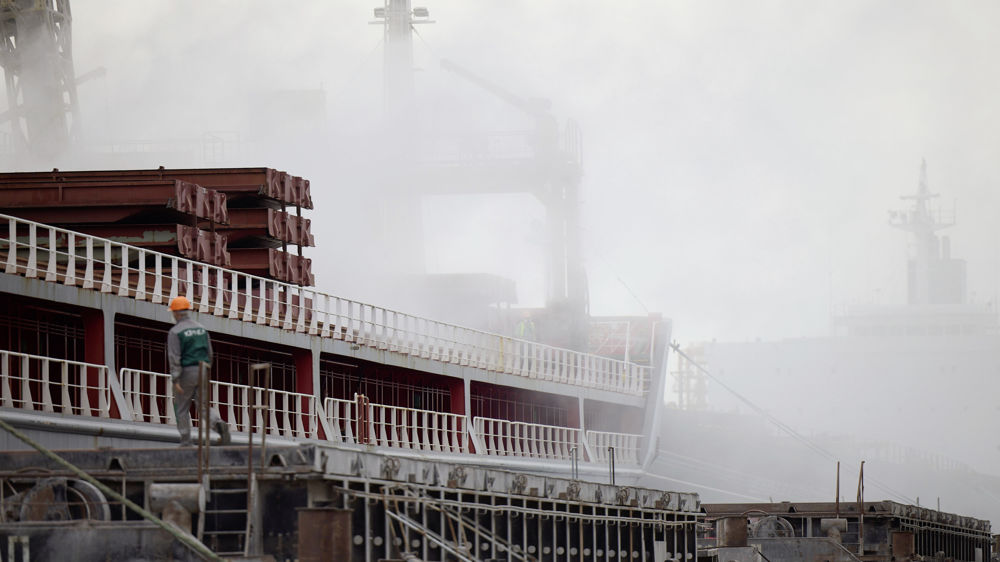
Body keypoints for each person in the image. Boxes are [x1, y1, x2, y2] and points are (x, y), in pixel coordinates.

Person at [167, 296, 231, 446]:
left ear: (176, 313)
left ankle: (186, 442)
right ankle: (218, 423)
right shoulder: (201, 329)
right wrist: (207, 371)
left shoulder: (175, 332)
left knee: (181, 407)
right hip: (203, 370)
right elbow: (210, 353)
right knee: (203, 406)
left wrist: (175, 379)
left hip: (186, 372)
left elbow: (174, 357)